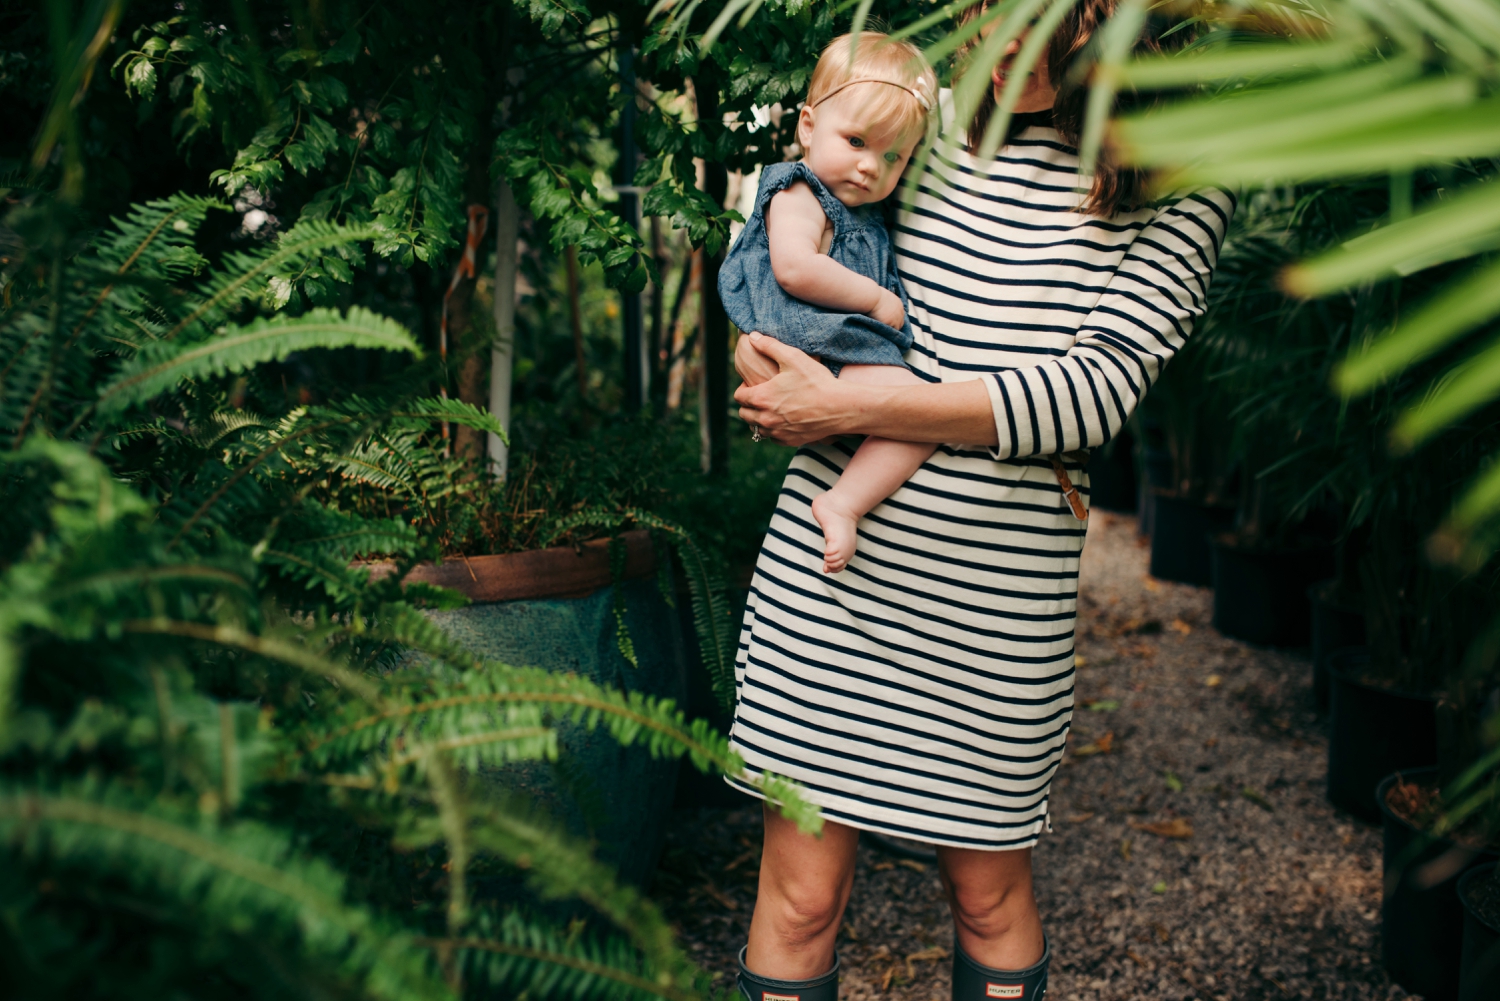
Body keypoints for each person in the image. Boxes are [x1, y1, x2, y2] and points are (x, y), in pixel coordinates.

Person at [726, 2, 1235, 1000]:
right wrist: (763, 347)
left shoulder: (1182, 182)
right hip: (835, 572)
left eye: (1036, 40)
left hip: (992, 601)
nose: (1001, 64)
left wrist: (855, 398)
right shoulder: (923, 120)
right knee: (798, 898)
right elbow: (798, 236)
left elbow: (1093, 392)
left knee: (989, 895)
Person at [719, 33, 940, 575]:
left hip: (829, 349)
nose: (871, 167)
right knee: (925, 413)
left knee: (916, 415)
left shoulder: (861, 211)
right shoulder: (798, 192)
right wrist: (876, 298)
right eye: (857, 141)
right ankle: (841, 502)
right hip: (814, 346)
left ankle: (844, 498)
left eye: (894, 156)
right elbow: (794, 268)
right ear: (809, 126)